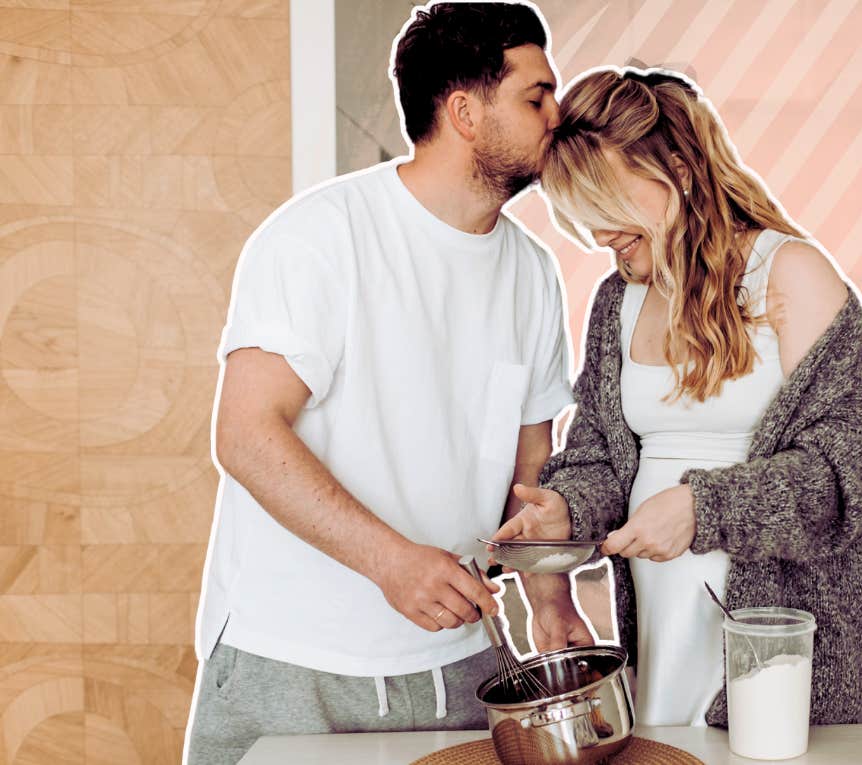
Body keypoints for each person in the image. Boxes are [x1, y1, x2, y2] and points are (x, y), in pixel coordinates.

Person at [185, 4, 591, 762]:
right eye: (535, 96)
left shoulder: (533, 274)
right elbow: (244, 434)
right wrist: (390, 561)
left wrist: (549, 599)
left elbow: (528, 463)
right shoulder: (322, 237)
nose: (556, 114)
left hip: (463, 662)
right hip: (296, 660)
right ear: (464, 112)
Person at [493, 67, 862, 728]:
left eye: (605, 200)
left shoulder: (788, 272)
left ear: (680, 171)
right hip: (665, 617)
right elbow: (601, 457)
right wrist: (569, 509)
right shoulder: (618, 300)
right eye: (578, 209)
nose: (594, 233)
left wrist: (704, 508)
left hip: (783, 631)